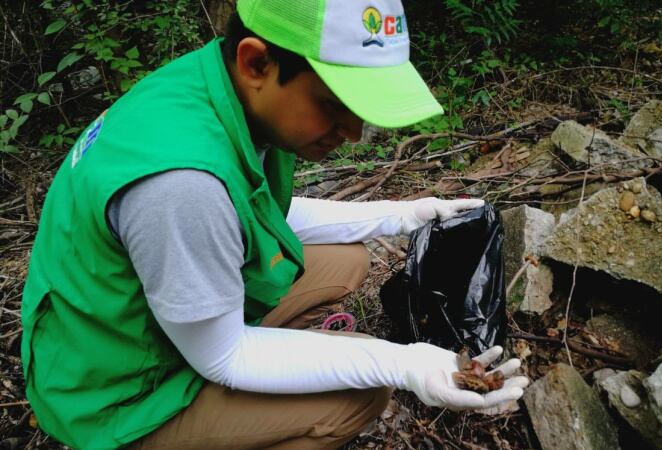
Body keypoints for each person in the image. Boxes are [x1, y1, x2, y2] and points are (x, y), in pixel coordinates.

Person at [21, 0, 530, 448]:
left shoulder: (217, 86)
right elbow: (224, 357)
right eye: (334, 106)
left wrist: (403, 214)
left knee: (346, 260)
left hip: (135, 316)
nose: (353, 134)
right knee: (358, 395)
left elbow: (258, 211)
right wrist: (404, 363)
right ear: (256, 61)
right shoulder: (180, 184)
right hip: (117, 388)